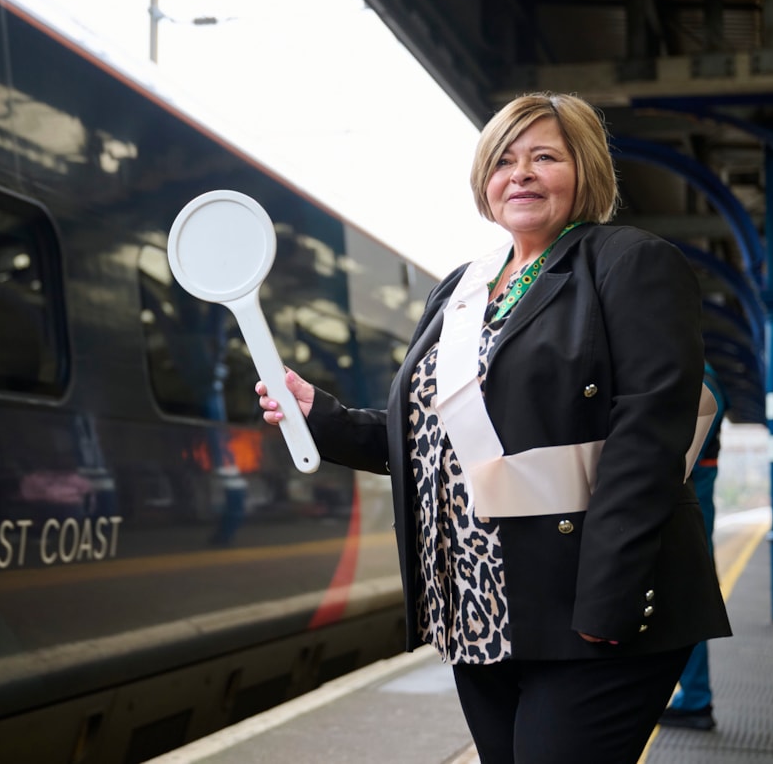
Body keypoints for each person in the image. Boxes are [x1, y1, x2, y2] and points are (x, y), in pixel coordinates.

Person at [256, 92, 732, 763]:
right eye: (504, 159)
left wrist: (606, 604)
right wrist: (319, 417)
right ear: (485, 179)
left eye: (546, 156)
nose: (522, 173)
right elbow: (429, 441)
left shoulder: (630, 263)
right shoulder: (460, 288)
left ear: (586, 169)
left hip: (590, 606)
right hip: (479, 607)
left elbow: (647, 438)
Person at [660, 362, 727, 730]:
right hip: (698, 497)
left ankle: (696, 698)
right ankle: (693, 695)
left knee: (686, 594)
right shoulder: (705, 374)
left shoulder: (699, 376)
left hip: (690, 499)